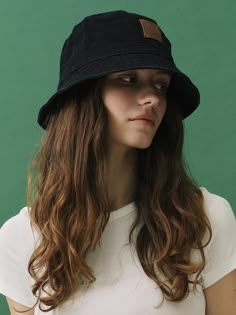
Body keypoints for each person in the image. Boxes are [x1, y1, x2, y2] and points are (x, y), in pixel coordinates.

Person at [0, 10, 236, 315]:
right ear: (84, 97)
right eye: (128, 79)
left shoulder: (204, 219)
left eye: (161, 85)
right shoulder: (22, 238)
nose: (152, 98)